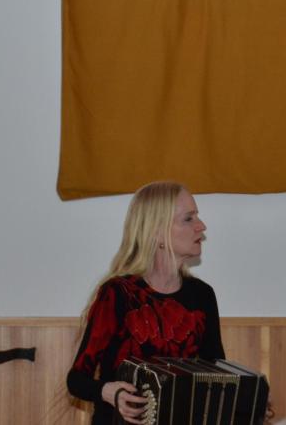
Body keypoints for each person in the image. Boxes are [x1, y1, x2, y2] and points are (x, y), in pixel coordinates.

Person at [67, 181, 224, 425]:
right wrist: (110, 392)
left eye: (197, 217)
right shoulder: (117, 293)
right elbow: (77, 380)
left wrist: (250, 401)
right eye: (188, 218)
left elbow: (217, 376)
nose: (201, 227)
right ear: (158, 231)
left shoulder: (202, 295)